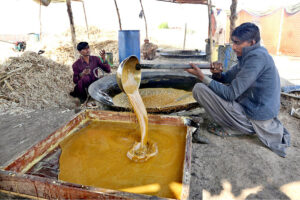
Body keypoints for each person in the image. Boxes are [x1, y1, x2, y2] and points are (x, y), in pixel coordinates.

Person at [185, 22, 290, 157]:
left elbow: (230, 94)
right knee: (211, 85)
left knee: (200, 89)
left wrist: (201, 76)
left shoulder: (256, 58)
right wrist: (217, 74)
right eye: (233, 42)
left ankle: (237, 128)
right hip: (255, 111)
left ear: (251, 42)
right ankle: (238, 124)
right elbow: (227, 77)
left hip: (255, 119)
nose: (233, 47)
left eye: (237, 43)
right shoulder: (252, 55)